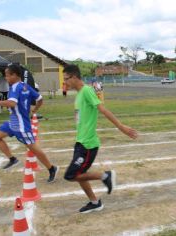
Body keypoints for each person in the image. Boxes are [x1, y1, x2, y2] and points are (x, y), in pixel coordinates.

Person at [63, 64, 138, 213]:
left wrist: (121, 126)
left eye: (66, 79)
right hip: (80, 143)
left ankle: (106, 176)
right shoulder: (78, 95)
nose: (65, 83)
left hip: (88, 145)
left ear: (75, 77)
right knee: (79, 175)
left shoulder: (86, 91)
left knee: (71, 175)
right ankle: (95, 202)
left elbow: (102, 109)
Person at [0, 63, 59, 183]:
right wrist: (35, 109)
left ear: (15, 75)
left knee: (34, 149)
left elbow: (12, 103)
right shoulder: (25, 86)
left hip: (22, 126)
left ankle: (52, 168)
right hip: (13, 122)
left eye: (7, 75)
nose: (6, 78)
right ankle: (12, 159)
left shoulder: (16, 87)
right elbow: (40, 99)